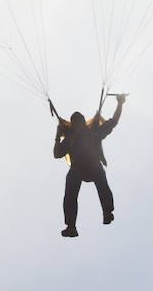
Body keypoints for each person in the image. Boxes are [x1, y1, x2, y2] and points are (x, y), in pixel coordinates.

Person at [53, 93, 126, 237]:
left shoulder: (94, 131)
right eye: (76, 123)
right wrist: (57, 136)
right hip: (78, 168)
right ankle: (71, 226)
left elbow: (113, 122)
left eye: (80, 121)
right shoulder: (71, 139)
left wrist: (119, 104)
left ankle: (107, 211)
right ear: (74, 125)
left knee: (101, 181)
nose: (79, 125)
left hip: (93, 165)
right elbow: (57, 154)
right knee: (70, 190)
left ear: (83, 122)